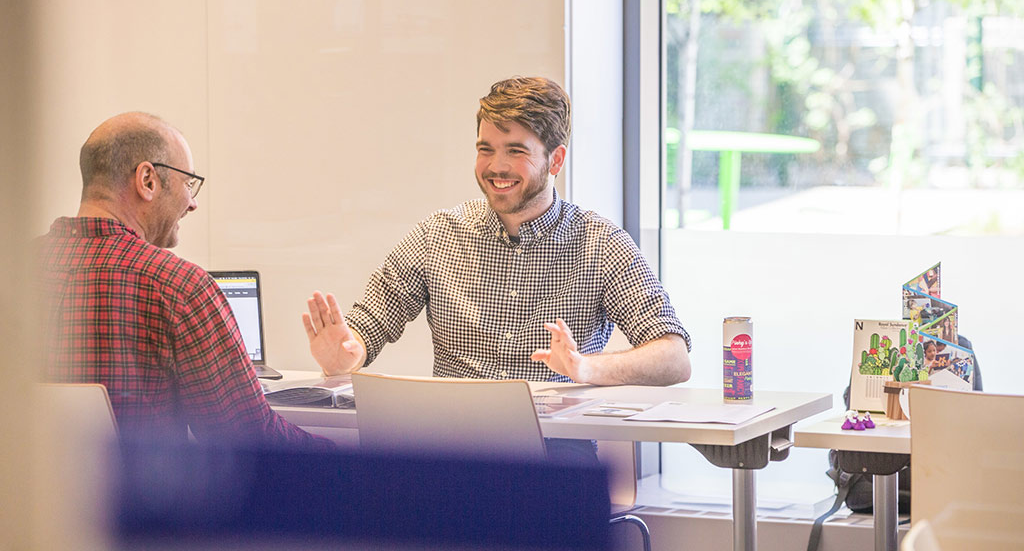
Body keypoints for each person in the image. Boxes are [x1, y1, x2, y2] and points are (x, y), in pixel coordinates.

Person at [303, 77, 691, 388]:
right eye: (485, 149)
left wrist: (584, 367)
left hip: (554, 456)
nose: (496, 167)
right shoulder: (437, 234)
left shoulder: (600, 243)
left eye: (516, 151)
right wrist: (344, 357)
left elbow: (674, 358)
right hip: (457, 452)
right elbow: (369, 324)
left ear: (555, 160)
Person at [37, 112, 331, 448]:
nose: (191, 203)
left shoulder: (14, 271)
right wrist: (342, 458)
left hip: (24, 499)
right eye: (188, 183)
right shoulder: (179, 287)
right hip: (136, 501)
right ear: (147, 180)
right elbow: (248, 442)